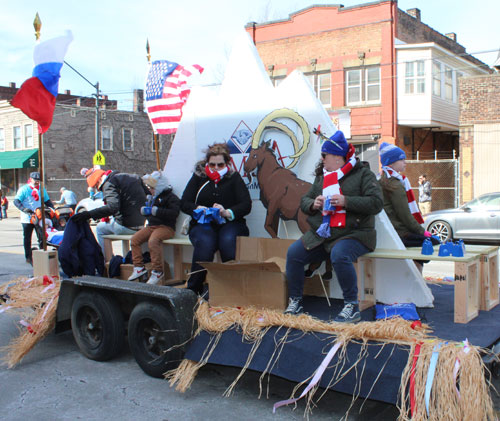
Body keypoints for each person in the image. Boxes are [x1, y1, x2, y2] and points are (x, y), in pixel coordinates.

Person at [284, 131, 383, 322]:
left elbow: (376, 203)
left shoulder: (363, 174)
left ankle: (351, 306)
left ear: (337, 157)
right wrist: (314, 204)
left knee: (340, 254)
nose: (321, 159)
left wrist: (347, 201)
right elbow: (305, 201)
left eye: (324, 155)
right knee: (294, 254)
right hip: (325, 233)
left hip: (356, 233)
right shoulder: (323, 177)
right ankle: (295, 300)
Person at [181, 142, 252, 295]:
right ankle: (193, 291)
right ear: (207, 163)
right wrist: (197, 208)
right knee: (206, 243)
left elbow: (246, 205)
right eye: (212, 164)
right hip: (203, 224)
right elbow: (184, 202)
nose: (216, 168)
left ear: (227, 163)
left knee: (227, 242)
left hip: (230, 223)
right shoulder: (199, 177)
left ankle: (231, 290)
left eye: (220, 164)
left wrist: (227, 212)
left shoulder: (233, 178)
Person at [378, 143, 439, 271]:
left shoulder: (384, 180)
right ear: (391, 163)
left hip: (394, 229)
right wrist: (423, 232)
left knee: (425, 247)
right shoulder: (394, 184)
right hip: (399, 232)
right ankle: (418, 278)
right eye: (401, 159)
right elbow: (405, 215)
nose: (405, 162)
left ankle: (417, 274)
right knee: (433, 242)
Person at [72, 166, 149, 252]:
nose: (99, 190)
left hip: (126, 225)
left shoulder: (109, 184)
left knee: (100, 228)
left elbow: (112, 208)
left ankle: (106, 261)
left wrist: (89, 214)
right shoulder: (133, 177)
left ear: (98, 181)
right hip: (143, 223)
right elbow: (148, 196)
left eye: (97, 187)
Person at [128, 171, 181, 285]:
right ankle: (138, 267)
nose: (150, 190)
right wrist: (145, 211)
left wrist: (156, 211)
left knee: (153, 241)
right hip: (152, 226)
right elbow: (150, 213)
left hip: (166, 227)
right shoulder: (152, 198)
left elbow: (174, 213)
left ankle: (157, 270)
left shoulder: (171, 198)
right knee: (135, 239)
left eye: (152, 188)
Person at [13, 172, 55, 265]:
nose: (37, 182)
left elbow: (47, 200)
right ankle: (28, 257)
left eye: (38, 181)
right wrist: (23, 209)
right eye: (35, 180)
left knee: (42, 237)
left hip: (39, 217)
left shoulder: (41, 189)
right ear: (31, 179)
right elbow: (16, 201)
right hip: (27, 218)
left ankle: (42, 254)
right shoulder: (24, 189)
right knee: (27, 238)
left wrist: (52, 208)